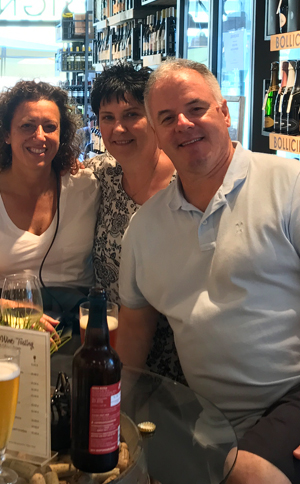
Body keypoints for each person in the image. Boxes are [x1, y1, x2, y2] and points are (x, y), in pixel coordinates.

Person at [118, 58, 300, 484]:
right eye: (166, 118)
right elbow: (132, 336)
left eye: (195, 108)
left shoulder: (288, 184)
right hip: (207, 418)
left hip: (291, 396)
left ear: (225, 112)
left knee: (247, 473)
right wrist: (109, 420)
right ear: (157, 134)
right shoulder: (144, 229)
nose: (182, 123)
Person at [0, 80, 99, 324]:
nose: (39, 136)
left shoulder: (88, 185)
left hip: (77, 323)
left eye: (50, 127)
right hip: (2, 322)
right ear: (6, 133)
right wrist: (15, 311)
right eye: (27, 126)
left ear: (63, 134)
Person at [86, 63, 184, 382]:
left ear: (154, 118)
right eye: (108, 118)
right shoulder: (102, 175)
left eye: (131, 114)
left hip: (179, 368)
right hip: (113, 354)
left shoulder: (186, 187)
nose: (118, 129)